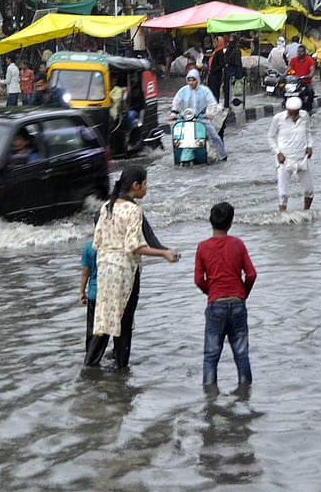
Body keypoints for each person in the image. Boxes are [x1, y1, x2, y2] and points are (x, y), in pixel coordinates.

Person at [84, 166, 180, 368]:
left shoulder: (106, 207)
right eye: (145, 184)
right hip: (125, 273)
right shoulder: (133, 210)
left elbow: (97, 242)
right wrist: (163, 253)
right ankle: (121, 369)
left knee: (104, 322)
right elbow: (133, 247)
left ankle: (89, 367)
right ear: (135, 186)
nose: (146, 188)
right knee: (124, 323)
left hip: (105, 271)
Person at [195, 201, 256, 390]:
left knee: (211, 355)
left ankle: (210, 397)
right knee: (241, 353)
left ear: (210, 220)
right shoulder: (237, 244)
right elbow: (252, 274)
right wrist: (242, 294)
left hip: (216, 305)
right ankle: (245, 392)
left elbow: (198, 279)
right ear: (231, 223)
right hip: (238, 303)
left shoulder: (203, 247)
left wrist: (211, 292)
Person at [267, 96, 315, 211]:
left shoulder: (304, 116)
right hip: (284, 159)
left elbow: (308, 132)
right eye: (291, 113)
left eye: (295, 113)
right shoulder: (278, 119)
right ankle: (282, 215)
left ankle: (306, 212)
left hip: (302, 158)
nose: (293, 115)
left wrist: (309, 146)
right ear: (287, 110)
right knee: (283, 193)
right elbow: (271, 137)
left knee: (309, 190)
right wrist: (278, 152)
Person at [169, 69, 227, 161]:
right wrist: (173, 114)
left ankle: (223, 156)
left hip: (201, 118)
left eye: (193, 80)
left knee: (215, 137)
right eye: (189, 80)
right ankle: (177, 155)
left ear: (198, 80)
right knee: (177, 137)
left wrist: (210, 113)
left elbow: (212, 102)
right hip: (185, 119)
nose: (191, 82)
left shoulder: (204, 90)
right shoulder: (183, 91)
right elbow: (176, 102)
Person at [79, 237, 98, 353]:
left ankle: (90, 356)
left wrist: (82, 292)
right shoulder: (114, 244)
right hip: (111, 294)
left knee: (91, 329)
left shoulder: (89, 246)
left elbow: (85, 273)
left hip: (93, 294)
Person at [222, 34, 243, 108]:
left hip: (232, 70)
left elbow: (237, 62)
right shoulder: (229, 48)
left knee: (230, 88)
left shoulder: (236, 50)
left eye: (231, 38)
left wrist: (239, 74)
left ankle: (229, 104)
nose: (230, 39)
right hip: (228, 70)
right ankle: (226, 104)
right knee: (226, 88)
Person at [206, 34, 227, 104]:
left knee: (215, 90)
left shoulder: (220, 52)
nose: (214, 44)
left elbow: (222, 64)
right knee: (210, 90)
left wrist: (213, 71)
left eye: (215, 42)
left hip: (216, 75)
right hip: (211, 74)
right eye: (213, 42)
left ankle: (215, 104)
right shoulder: (215, 51)